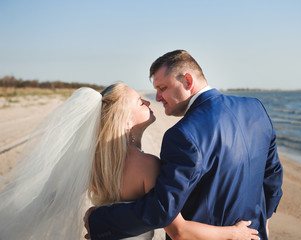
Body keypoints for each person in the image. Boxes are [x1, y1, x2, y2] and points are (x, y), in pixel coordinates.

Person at [0, 83, 259, 239]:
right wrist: (233, 233)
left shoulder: (89, 161)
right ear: (125, 119)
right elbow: (179, 231)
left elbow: (51, 200)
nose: (149, 101)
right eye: (139, 101)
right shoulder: (148, 166)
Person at [86, 50, 283, 240]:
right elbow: (272, 175)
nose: (157, 98)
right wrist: (263, 220)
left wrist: (99, 220)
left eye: (162, 88)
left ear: (188, 81)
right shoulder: (256, 108)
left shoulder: (182, 134)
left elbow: (163, 210)